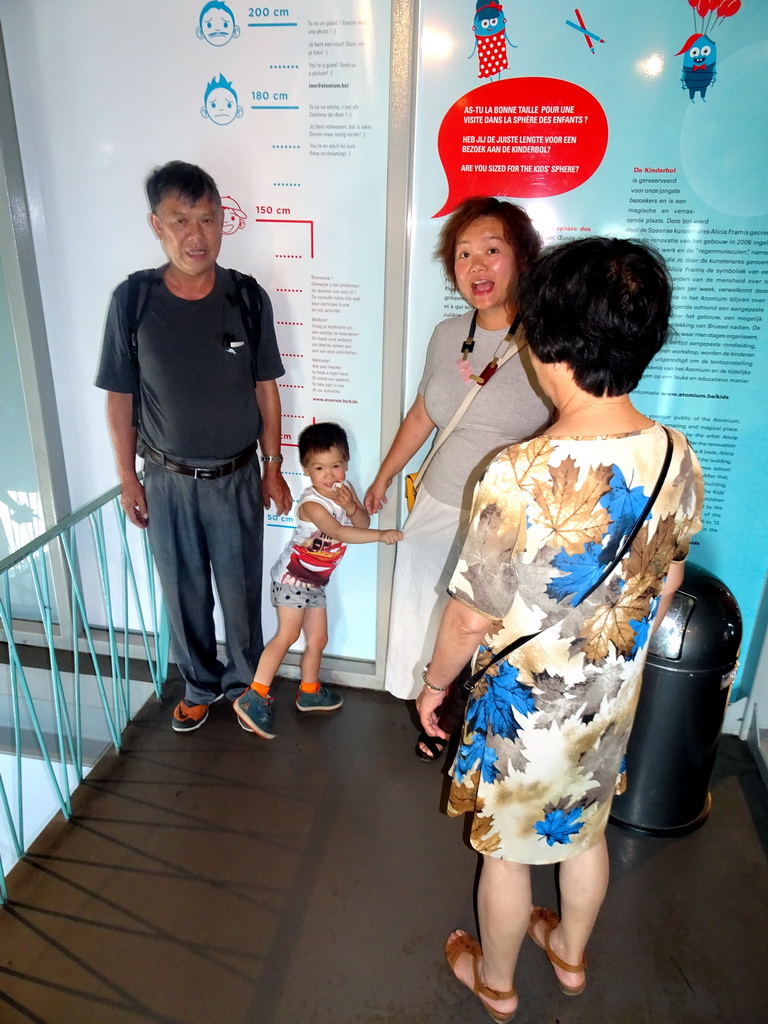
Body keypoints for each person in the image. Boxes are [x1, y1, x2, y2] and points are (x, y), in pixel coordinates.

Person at [416, 237, 704, 1021]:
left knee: (505, 852)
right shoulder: (678, 454)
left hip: (527, 710)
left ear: (543, 340)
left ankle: (499, 984)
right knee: (585, 830)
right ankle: (570, 957)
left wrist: (435, 686)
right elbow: (667, 578)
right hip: (610, 700)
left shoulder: (518, 472)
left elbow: (471, 614)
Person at [96, 160, 292, 733]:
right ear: (157, 224)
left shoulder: (248, 298)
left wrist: (273, 467)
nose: (196, 234)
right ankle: (200, 685)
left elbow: (266, 389)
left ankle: (244, 683)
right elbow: (119, 398)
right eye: (181, 220)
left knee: (239, 590)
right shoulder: (132, 301)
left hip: (237, 475)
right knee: (182, 592)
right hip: (164, 477)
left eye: (207, 219)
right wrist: (127, 477)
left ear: (222, 222)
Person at [364, 197, 551, 762]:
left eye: (492, 250)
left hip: (506, 518)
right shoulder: (449, 335)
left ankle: (476, 729)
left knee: (483, 628)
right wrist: (382, 479)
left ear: (521, 256)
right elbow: (424, 412)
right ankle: (435, 718)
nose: (477, 266)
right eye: (464, 254)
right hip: (438, 504)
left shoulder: (549, 341)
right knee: (428, 619)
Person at [235, 422, 403, 739]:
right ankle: (254, 696)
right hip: (292, 579)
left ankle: (309, 691)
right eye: (319, 468)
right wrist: (380, 536)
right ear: (307, 471)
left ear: (346, 464)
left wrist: (352, 506)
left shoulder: (344, 491)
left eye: (336, 466)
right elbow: (339, 533)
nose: (329, 475)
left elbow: (360, 520)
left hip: (315, 582)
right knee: (286, 636)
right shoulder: (311, 504)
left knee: (318, 640)